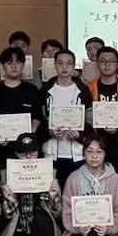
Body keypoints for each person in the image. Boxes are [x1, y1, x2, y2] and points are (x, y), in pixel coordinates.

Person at [0, 134, 65, 236]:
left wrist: (54, 197)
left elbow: (57, 213)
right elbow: (6, 215)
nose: (28, 156)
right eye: (24, 152)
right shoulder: (7, 175)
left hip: (42, 229)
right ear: (16, 153)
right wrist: (11, 199)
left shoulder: (49, 172)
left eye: (32, 152)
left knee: (42, 219)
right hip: (18, 230)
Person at [37, 48, 93, 184]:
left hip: (77, 153)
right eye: (60, 63)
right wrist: (49, 132)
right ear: (54, 65)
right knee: (52, 191)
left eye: (69, 63)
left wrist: (80, 135)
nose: (64, 67)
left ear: (74, 66)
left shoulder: (83, 91)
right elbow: (39, 120)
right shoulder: (45, 91)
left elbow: (90, 121)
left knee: (76, 190)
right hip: (51, 153)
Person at [85, 45, 118, 185]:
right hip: (96, 147)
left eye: (111, 61)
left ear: (117, 64)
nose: (107, 64)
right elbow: (84, 118)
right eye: (103, 61)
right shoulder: (88, 89)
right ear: (97, 63)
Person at [0, 46, 42, 169]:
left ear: (23, 65)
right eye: (9, 63)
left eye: (17, 62)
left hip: (26, 149)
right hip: (0, 149)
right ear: (2, 66)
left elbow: (38, 116)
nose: (14, 66)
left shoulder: (31, 90)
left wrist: (29, 133)